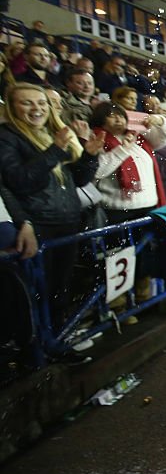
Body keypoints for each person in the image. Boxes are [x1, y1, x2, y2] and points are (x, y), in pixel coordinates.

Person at [0, 83, 102, 337]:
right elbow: (19, 180)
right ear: (12, 108)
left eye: (41, 103)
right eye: (27, 103)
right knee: (40, 290)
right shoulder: (7, 137)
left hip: (67, 222)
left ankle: (61, 337)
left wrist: (89, 157)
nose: (37, 109)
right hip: (39, 224)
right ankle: (42, 347)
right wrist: (55, 150)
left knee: (61, 287)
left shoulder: (50, 133)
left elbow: (77, 180)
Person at [90, 103, 166, 224]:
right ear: (101, 120)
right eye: (111, 116)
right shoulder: (96, 140)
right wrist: (123, 150)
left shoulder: (138, 136)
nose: (118, 119)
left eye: (121, 115)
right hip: (117, 212)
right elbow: (97, 171)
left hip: (149, 206)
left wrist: (158, 119)